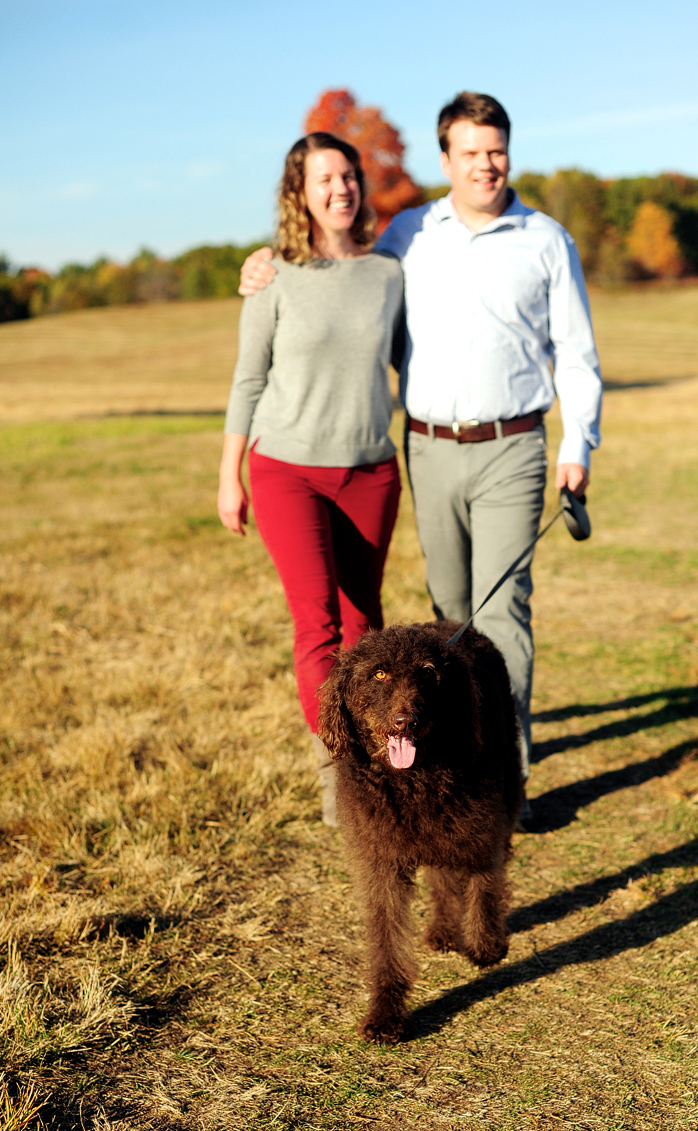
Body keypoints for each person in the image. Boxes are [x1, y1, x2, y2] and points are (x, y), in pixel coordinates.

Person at [239, 94, 602, 828]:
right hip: (429, 448)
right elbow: (334, 281)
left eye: (495, 150)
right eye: (469, 153)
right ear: (446, 161)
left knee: (501, 620)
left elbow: (579, 353)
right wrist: (262, 264)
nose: (485, 165)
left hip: (515, 444)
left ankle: (505, 779)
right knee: (450, 625)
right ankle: (448, 765)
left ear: (509, 153)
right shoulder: (410, 234)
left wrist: (577, 443)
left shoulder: (544, 239)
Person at [220, 132, 403, 826]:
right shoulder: (274, 277)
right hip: (286, 469)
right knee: (318, 627)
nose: (340, 188)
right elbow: (247, 380)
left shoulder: (390, 274)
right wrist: (227, 474)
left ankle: (384, 750)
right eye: (323, 178)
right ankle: (340, 763)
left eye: (349, 174)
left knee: (366, 625)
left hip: (369, 470)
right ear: (300, 192)